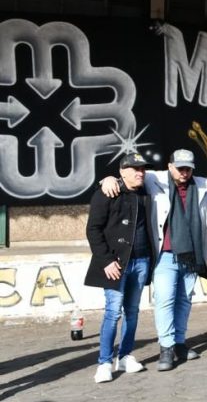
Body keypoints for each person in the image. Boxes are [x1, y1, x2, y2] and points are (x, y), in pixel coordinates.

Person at [102, 149, 207, 371]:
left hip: (191, 255)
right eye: (180, 167)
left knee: (184, 301)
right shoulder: (156, 178)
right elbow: (130, 176)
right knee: (164, 300)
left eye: (188, 168)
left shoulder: (205, 185)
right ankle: (166, 347)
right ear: (170, 166)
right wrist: (107, 180)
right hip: (164, 254)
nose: (184, 172)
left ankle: (180, 343)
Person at [85, 153, 155, 383]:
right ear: (122, 171)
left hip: (142, 261)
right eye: (135, 168)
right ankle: (104, 362)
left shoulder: (146, 190)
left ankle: (125, 356)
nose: (140, 173)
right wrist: (106, 260)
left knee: (133, 312)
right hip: (116, 264)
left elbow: (173, 173)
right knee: (113, 312)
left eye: (143, 169)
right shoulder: (107, 192)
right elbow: (93, 230)